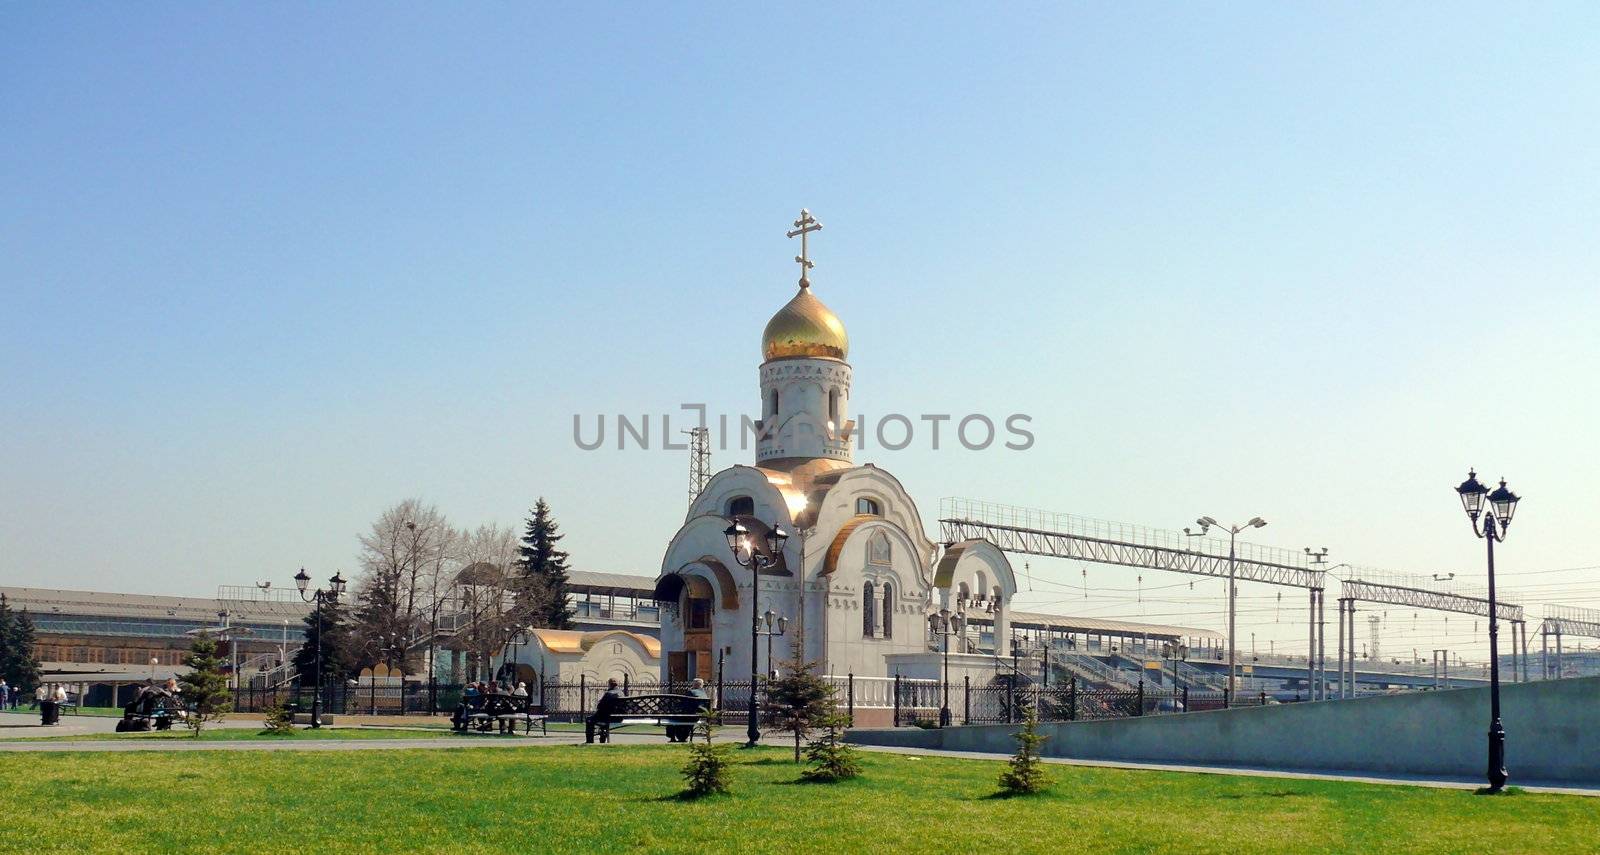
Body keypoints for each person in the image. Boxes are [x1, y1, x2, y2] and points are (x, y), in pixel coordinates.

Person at [585, 678, 624, 744]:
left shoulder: (608, 694)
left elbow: (600, 706)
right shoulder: (622, 693)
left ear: (609, 685)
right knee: (603, 717)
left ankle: (590, 741)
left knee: (589, 720)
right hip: (619, 718)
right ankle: (602, 736)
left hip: (607, 718)